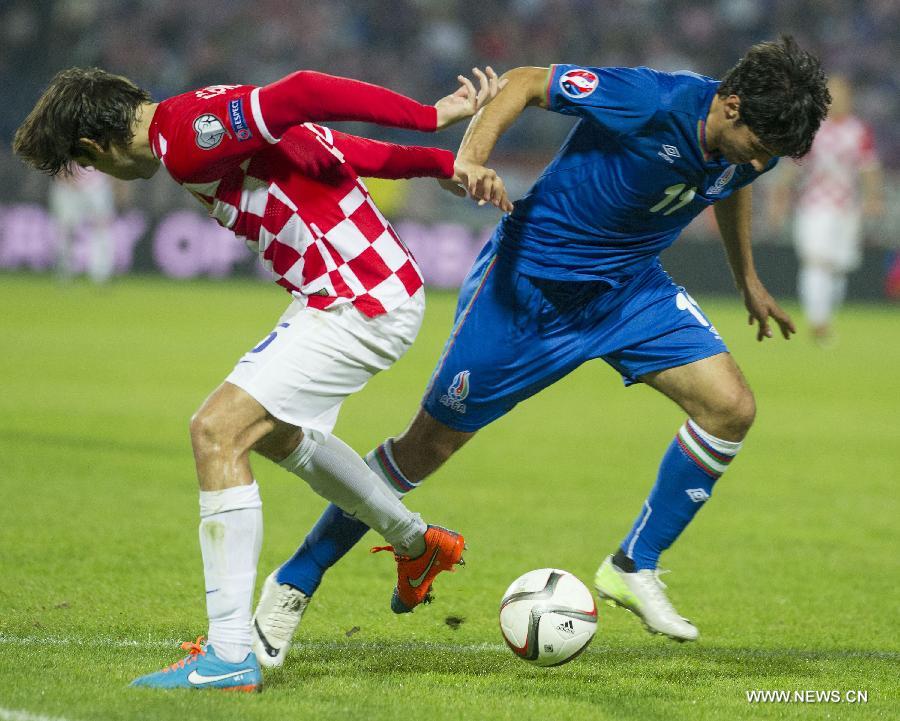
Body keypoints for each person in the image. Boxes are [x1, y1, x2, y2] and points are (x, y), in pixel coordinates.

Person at [252, 36, 830, 661]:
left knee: (731, 408)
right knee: (425, 448)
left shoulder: (754, 144)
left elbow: (731, 178)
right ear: (732, 106)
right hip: (529, 290)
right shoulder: (650, 99)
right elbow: (526, 81)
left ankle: (633, 566)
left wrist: (746, 275)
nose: (761, 161)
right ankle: (295, 579)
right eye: (760, 146)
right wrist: (471, 158)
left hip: (629, 292)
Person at [14, 64, 505, 691]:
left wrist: (429, 116)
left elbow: (305, 90)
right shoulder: (200, 118)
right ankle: (417, 544)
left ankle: (228, 655)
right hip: (347, 293)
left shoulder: (187, 134)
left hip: (357, 298)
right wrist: (442, 165)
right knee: (273, 434)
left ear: (92, 147)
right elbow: (332, 149)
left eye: (87, 165)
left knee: (216, 432)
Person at [768, 74, 883, 345]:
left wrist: (873, 198)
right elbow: (791, 167)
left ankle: (825, 316)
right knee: (815, 259)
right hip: (814, 205)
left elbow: (868, 168)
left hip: (846, 208)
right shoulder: (812, 128)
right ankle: (817, 321)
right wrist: (779, 200)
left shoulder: (858, 130)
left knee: (839, 266)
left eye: (841, 93)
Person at [49, 166, 116, 283]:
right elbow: (55, 157)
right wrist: (64, 177)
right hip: (67, 185)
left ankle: (101, 274)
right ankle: (64, 272)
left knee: (102, 230)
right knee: (65, 232)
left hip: (97, 185)